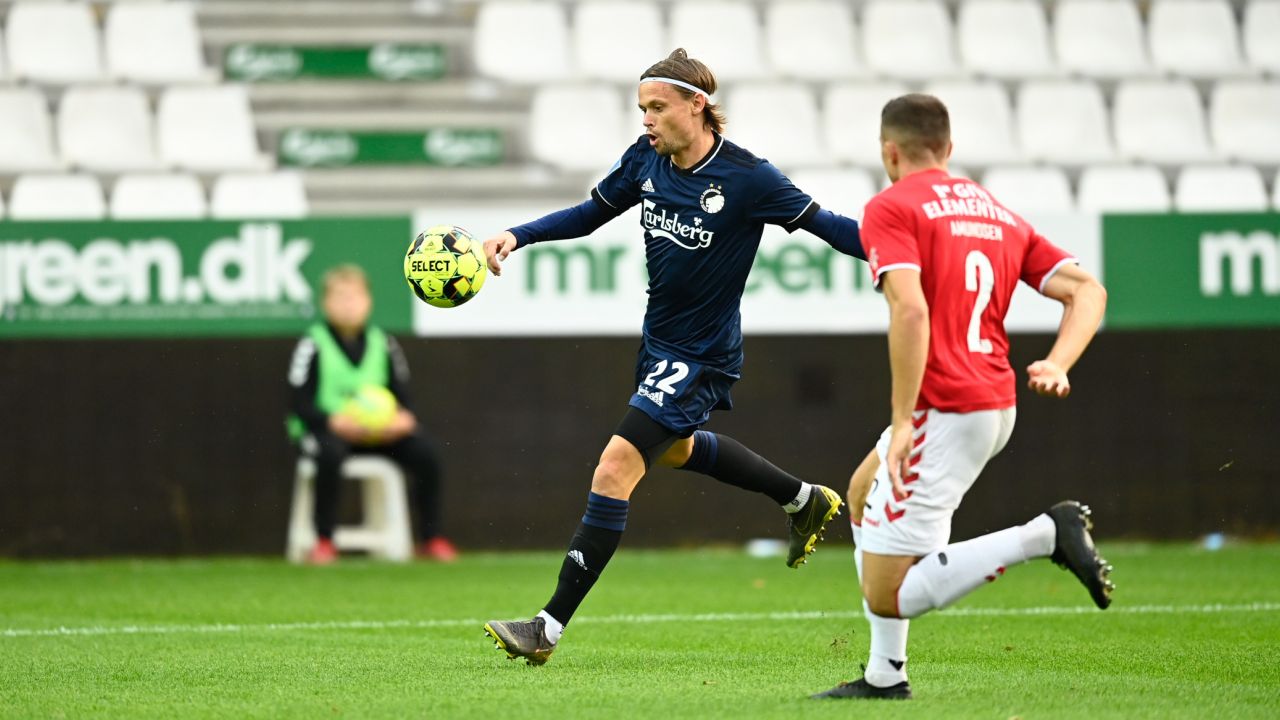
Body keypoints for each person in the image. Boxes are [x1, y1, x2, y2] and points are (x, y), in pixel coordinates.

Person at [480, 49, 867, 665]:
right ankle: (802, 498)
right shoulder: (646, 160)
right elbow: (590, 214)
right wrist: (519, 234)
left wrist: (901, 254)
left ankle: (545, 629)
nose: (647, 120)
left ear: (699, 106)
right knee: (680, 449)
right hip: (660, 341)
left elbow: (831, 226)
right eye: (642, 109)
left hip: (704, 352)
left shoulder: (749, 178)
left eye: (657, 108)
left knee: (614, 469)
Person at [812, 94, 1114, 701]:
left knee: (889, 591)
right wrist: (1057, 361)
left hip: (943, 408)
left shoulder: (891, 207)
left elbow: (911, 309)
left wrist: (902, 421)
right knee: (863, 490)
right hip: (991, 400)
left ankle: (1045, 535)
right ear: (948, 149)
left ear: (888, 152)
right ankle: (883, 676)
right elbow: (1087, 289)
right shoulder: (994, 211)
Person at [286, 264, 457, 564]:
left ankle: (432, 539)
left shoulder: (384, 342)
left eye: (354, 297)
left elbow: (404, 395)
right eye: (340, 298)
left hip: (379, 434)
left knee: (426, 452)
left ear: (368, 302)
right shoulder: (312, 343)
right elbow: (298, 401)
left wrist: (403, 420)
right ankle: (324, 541)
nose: (348, 305)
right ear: (325, 303)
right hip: (329, 431)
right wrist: (331, 422)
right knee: (329, 454)